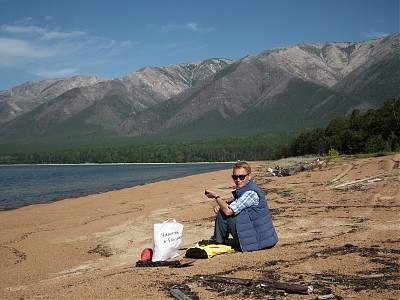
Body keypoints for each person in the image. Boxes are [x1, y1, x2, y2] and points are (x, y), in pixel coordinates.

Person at [204, 161, 278, 252]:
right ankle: (219, 240)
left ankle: (218, 242)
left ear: (249, 176)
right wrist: (221, 205)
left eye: (241, 177)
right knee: (223, 209)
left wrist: (216, 197)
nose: (238, 180)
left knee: (223, 213)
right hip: (264, 238)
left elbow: (228, 211)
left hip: (259, 241)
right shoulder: (248, 189)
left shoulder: (251, 193)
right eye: (235, 177)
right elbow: (237, 203)